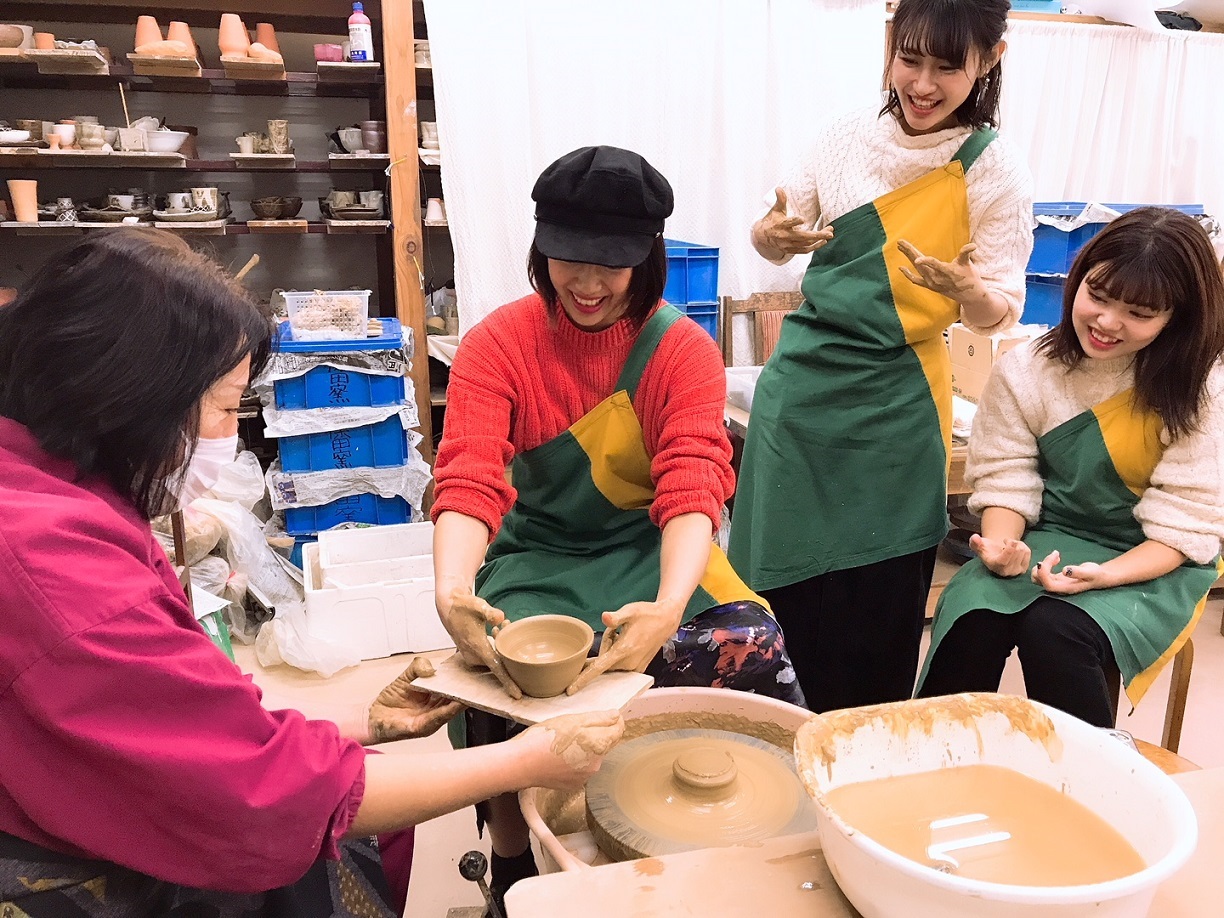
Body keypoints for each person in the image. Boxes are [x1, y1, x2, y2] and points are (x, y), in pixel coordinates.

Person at [0, 229, 624, 917]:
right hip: (59, 862)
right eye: (223, 406)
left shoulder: (49, 487)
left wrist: (362, 723)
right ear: (131, 396)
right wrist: (528, 761)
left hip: (627, 559)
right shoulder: (54, 565)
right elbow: (253, 785)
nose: (227, 436)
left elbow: (163, 717)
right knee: (345, 831)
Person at [431, 145, 805, 899]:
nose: (590, 283)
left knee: (746, 644)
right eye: (570, 258)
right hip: (538, 551)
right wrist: (450, 590)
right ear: (542, 249)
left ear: (649, 257)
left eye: (613, 263)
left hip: (653, 548)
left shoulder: (681, 351)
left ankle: (740, 850)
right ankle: (511, 863)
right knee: (513, 674)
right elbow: (469, 479)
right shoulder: (498, 344)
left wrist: (669, 608)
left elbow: (693, 487)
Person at [728, 0, 1034, 713]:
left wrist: (971, 294)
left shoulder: (994, 171)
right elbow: (777, 230)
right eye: (910, 59)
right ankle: (767, 739)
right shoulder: (842, 138)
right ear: (891, 44)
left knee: (880, 606)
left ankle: (864, 759)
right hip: (802, 395)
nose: (922, 85)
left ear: (991, 58)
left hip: (900, 404)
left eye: (946, 67)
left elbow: (1001, 309)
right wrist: (769, 238)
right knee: (780, 594)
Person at [917, 208, 1224, 725]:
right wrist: (1000, 545)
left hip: (1151, 558)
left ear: (1180, 317)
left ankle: (1090, 782)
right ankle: (934, 757)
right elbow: (1006, 478)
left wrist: (1106, 574)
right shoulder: (1028, 367)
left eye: (1139, 313)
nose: (1106, 322)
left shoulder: (1204, 390)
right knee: (973, 615)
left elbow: (1185, 524)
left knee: (1055, 631)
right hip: (1048, 535)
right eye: (1097, 296)